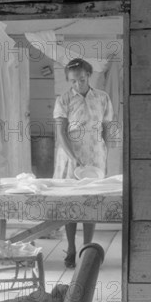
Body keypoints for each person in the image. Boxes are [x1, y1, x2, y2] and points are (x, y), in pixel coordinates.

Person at [53, 58, 114, 268]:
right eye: (73, 81)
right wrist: (72, 157)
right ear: (68, 81)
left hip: (95, 154)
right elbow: (60, 133)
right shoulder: (64, 100)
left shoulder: (103, 98)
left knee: (91, 201)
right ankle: (70, 247)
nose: (77, 84)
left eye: (81, 79)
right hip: (71, 155)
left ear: (88, 76)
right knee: (71, 201)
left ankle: (87, 249)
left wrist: (104, 153)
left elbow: (107, 128)